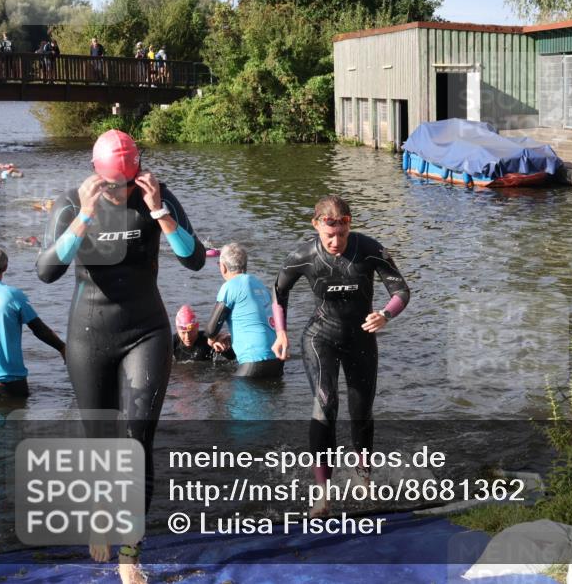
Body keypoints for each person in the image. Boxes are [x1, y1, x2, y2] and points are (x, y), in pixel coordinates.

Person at [36, 129, 205, 583]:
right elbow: (46, 270)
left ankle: (130, 554)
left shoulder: (156, 194)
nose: (119, 190)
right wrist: (85, 217)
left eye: (125, 182)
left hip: (146, 331)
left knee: (136, 442)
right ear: (96, 172)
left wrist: (160, 213)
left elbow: (194, 261)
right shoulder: (73, 201)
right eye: (113, 183)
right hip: (89, 334)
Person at [272, 195, 410, 516]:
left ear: (349, 226)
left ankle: (364, 479)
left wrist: (386, 315)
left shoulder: (369, 249)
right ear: (316, 224)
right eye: (329, 235)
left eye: (342, 235)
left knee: (361, 412)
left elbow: (401, 290)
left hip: (361, 339)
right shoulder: (303, 255)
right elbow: (279, 290)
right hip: (321, 338)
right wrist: (281, 331)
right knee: (326, 404)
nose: (336, 242)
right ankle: (323, 495)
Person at [0, 245, 65, 398]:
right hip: (11, 380)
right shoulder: (13, 295)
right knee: (15, 420)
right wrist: (63, 348)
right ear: (5, 267)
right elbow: (39, 329)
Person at [207, 243, 283, 378]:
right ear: (245, 265)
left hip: (254, 361)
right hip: (277, 361)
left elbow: (211, 329)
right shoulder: (260, 285)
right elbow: (260, 322)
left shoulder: (230, 286)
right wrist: (232, 336)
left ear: (223, 267)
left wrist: (212, 340)